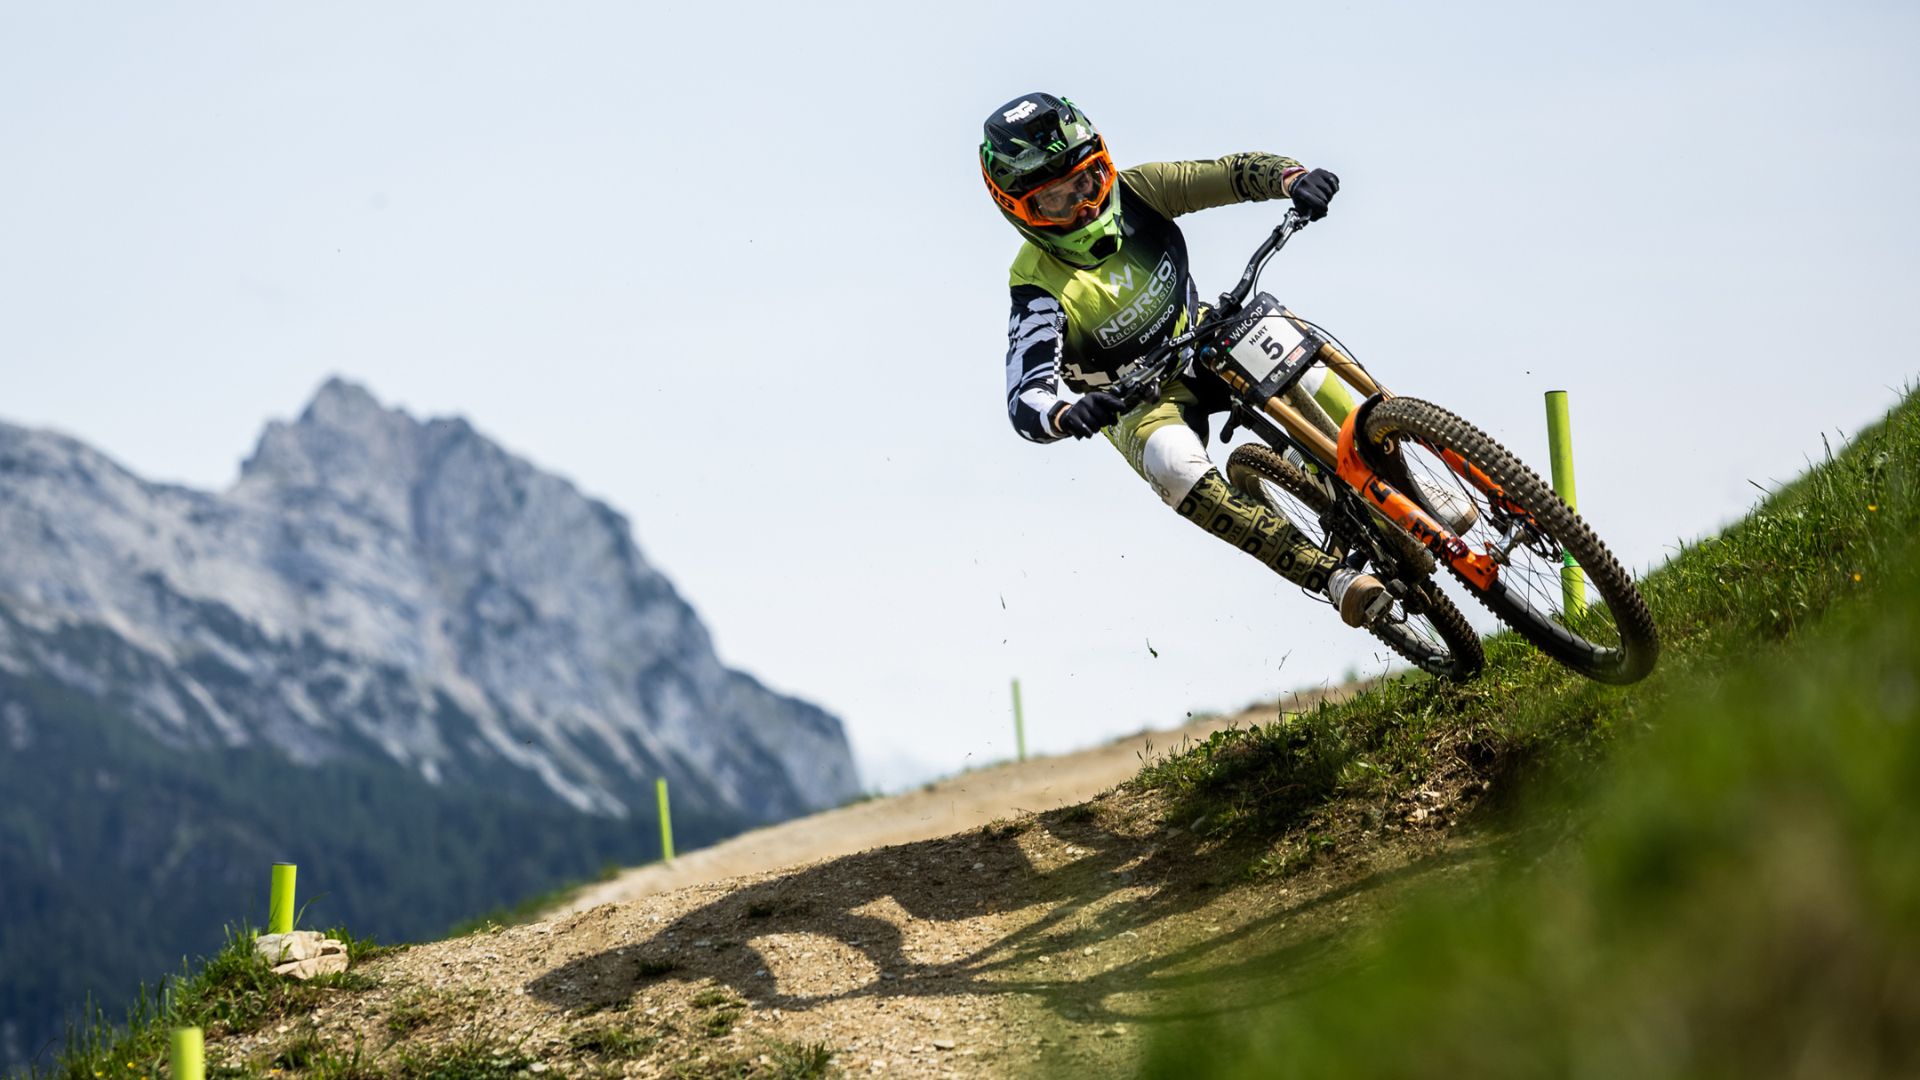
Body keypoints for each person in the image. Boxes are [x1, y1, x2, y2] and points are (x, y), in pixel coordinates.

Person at [983, 92, 1389, 626]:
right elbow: (1024, 399)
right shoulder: (1035, 285)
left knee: (1296, 352)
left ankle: (1400, 462)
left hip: (1203, 337)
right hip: (1140, 401)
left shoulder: (1139, 190)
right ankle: (1335, 578)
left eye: (1086, 180)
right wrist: (1065, 414)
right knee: (1173, 468)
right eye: (1056, 201)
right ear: (1021, 212)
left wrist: (1293, 178)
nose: (1084, 204)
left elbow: (1230, 174)